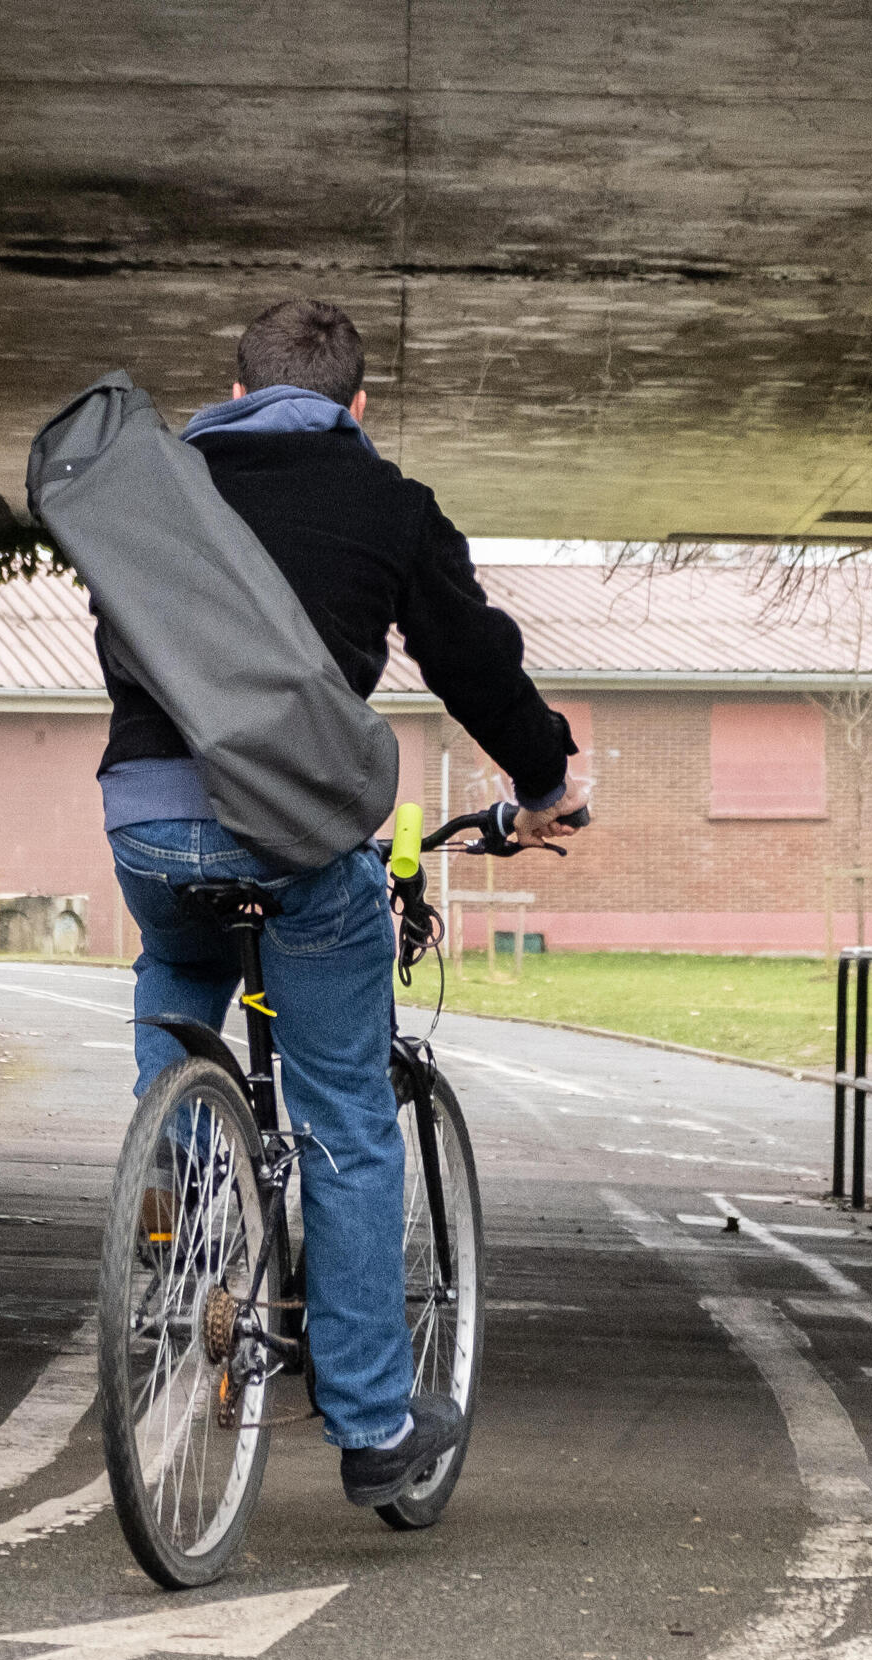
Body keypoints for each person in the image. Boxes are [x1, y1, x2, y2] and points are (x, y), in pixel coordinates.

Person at [94, 297, 584, 1508]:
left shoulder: (158, 493)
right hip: (299, 835)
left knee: (181, 964)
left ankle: (179, 1163)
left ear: (234, 384)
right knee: (345, 1120)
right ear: (355, 407)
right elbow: (474, 659)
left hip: (147, 819)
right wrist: (545, 780)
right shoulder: (388, 505)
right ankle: (372, 1425)